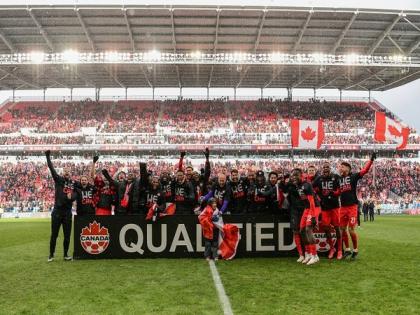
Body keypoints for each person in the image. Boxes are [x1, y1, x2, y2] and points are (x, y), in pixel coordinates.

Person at [339, 152, 376, 260]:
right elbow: (337, 191)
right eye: (340, 167)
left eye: (342, 167)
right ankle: (347, 250)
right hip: (343, 207)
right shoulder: (338, 179)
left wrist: (371, 160)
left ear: (348, 169)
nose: (340, 168)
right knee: (342, 229)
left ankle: (355, 250)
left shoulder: (353, 176)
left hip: (352, 207)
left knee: (351, 229)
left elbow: (364, 171)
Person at [45, 150, 75, 262]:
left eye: (68, 171)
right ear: (63, 173)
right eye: (65, 171)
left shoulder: (73, 183)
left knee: (67, 236)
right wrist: (47, 156)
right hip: (57, 212)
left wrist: (73, 197)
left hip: (67, 212)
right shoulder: (58, 180)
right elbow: (51, 168)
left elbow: (81, 188)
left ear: (70, 173)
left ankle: (66, 254)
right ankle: (51, 255)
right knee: (54, 235)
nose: (67, 173)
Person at [286, 168, 318, 265]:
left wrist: (313, 216)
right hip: (306, 208)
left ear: (301, 175)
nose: (294, 177)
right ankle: (308, 254)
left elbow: (312, 201)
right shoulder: (297, 185)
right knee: (302, 230)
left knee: (308, 229)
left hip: (314, 207)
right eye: (293, 175)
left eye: (296, 175)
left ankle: (314, 255)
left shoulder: (306, 185)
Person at [312, 162, 342, 260]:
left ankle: (340, 250)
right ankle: (332, 249)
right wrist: (317, 196)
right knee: (326, 228)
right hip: (324, 208)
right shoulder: (319, 178)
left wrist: (335, 193)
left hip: (335, 207)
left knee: (337, 228)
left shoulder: (336, 177)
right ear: (322, 169)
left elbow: (341, 189)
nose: (325, 169)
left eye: (327, 167)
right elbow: (311, 188)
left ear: (330, 168)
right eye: (324, 167)